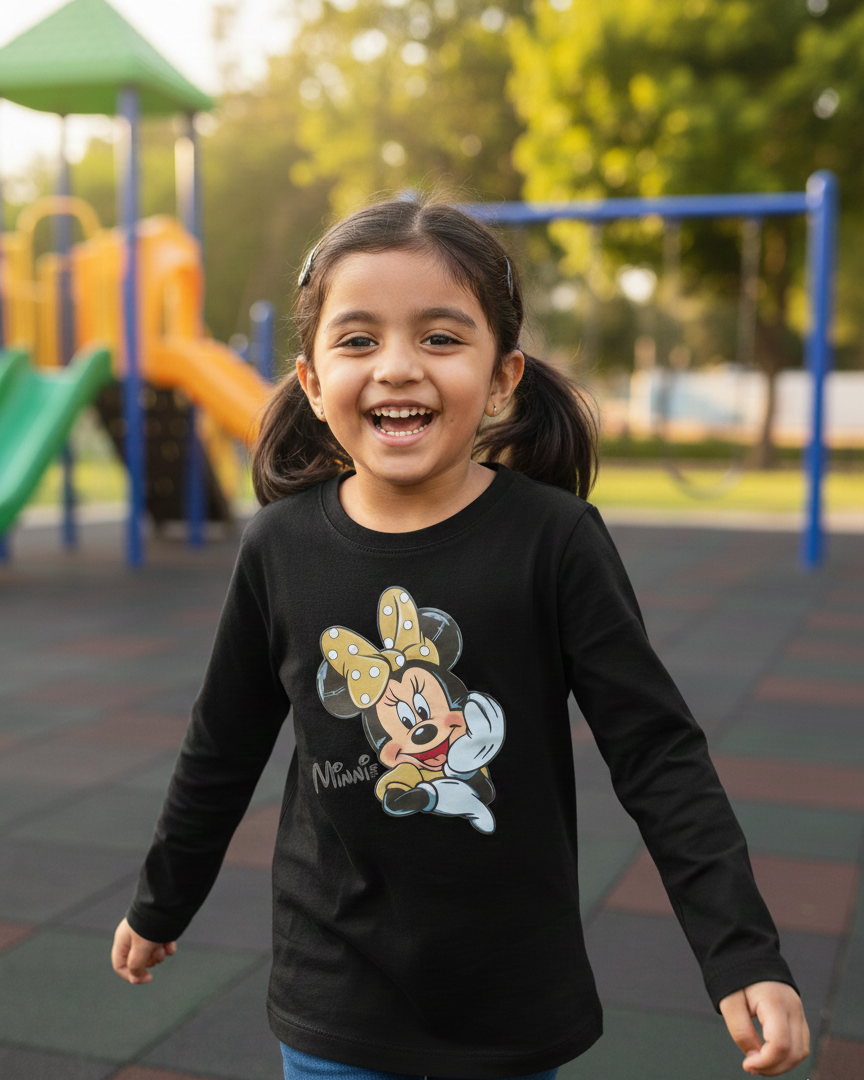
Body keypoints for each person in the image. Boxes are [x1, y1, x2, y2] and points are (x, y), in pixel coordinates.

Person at [112, 197, 810, 1080]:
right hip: (336, 987)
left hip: (509, 995)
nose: (398, 367)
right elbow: (221, 746)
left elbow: (657, 753)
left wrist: (740, 949)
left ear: (505, 375)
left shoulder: (554, 541)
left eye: (440, 338)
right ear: (313, 381)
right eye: (358, 340)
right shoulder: (279, 549)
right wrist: (162, 899)